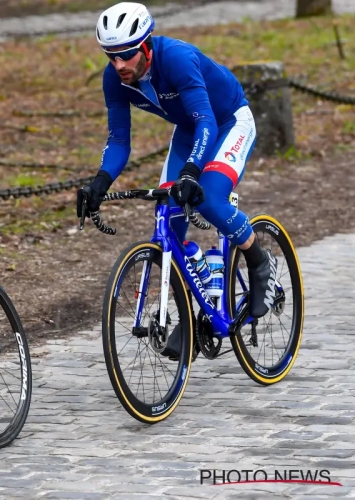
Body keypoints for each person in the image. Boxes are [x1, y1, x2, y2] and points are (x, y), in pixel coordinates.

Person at [77, 2, 278, 357]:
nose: (119, 65)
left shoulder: (177, 59)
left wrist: (191, 171)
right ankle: (192, 308)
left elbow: (207, 122)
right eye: (111, 56)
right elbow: (119, 141)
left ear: (146, 45)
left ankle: (258, 258)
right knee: (170, 218)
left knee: (210, 198)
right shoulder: (115, 79)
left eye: (126, 55)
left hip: (228, 122)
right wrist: (99, 183)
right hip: (190, 131)